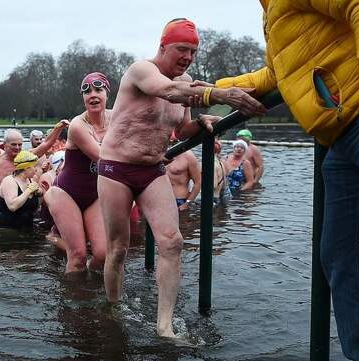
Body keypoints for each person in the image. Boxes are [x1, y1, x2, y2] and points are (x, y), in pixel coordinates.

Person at [215, 1, 359, 358]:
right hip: (342, 138)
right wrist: (213, 90)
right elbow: (278, 75)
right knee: (344, 257)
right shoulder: (272, 11)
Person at [97, 18, 266, 338]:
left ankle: (165, 326)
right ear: (163, 47)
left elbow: (180, 130)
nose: (188, 57)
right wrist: (220, 94)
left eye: (193, 51)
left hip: (152, 168)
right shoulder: (141, 71)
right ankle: (113, 308)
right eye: (182, 49)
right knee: (118, 247)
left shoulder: (188, 81)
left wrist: (200, 123)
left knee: (172, 242)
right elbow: (168, 91)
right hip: (116, 167)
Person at [44, 72, 112, 273]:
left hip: (94, 195)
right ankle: (73, 303)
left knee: (102, 254)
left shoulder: (117, 117)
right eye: (87, 91)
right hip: (66, 193)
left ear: (107, 92)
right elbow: (103, 158)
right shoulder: (77, 125)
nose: (92, 95)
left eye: (98, 89)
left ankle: (94, 296)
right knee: (78, 256)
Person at [0, 120, 69, 211]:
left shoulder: (27, 156)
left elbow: (47, 143)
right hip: (3, 211)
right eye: (13, 144)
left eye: (20, 145)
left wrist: (58, 128)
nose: (17, 148)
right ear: (4, 144)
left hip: (25, 210)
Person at [0, 150, 41, 228]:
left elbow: (33, 206)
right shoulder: (9, 182)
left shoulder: (30, 180)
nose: (36, 169)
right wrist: (29, 190)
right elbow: (12, 206)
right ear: (26, 168)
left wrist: (39, 194)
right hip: (6, 230)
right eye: (34, 166)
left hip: (25, 228)